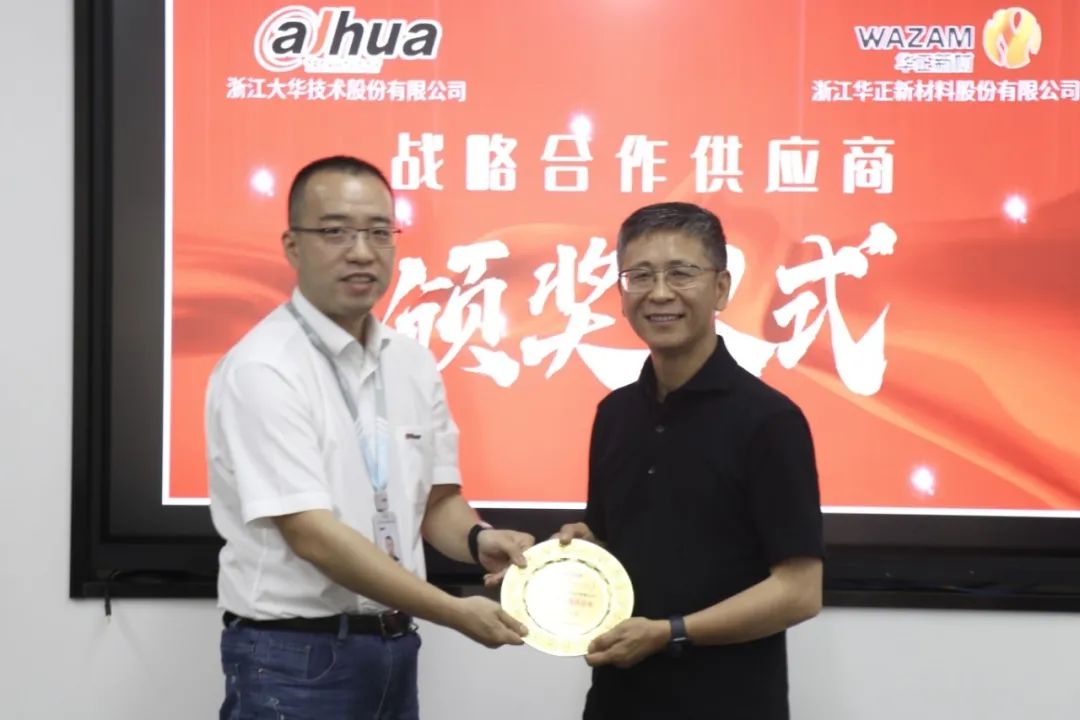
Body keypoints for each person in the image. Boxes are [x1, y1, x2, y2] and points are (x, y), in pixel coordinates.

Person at [207, 155, 532, 720]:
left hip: (393, 648)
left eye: (379, 232)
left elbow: (437, 502)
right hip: (294, 658)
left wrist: (479, 539)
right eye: (336, 231)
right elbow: (312, 535)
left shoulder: (411, 362)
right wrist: (453, 611)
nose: (361, 251)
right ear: (293, 246)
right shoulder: (264, 367)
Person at [558, 202, 824, 720]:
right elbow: (622, 546)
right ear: (622, 292)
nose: (659, 293)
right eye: (640, 276)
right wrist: (575, 555)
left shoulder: (770, 420)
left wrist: (671, 633)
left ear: (721, 288)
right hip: (618, 699)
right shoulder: (614, 414)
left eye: (680, 273)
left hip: (729, 702)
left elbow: (799, 592)